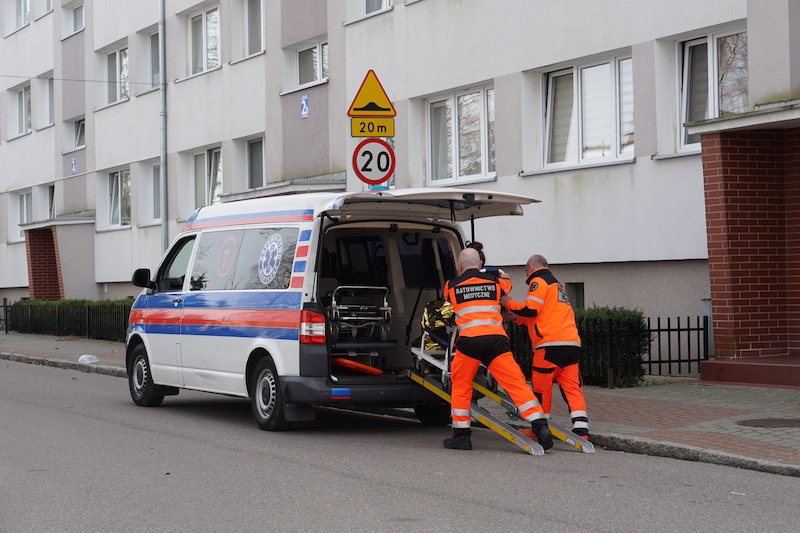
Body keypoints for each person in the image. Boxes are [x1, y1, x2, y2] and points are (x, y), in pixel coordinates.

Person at [442, 247, 553, 450]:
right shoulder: (497, 282)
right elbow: (507, 282)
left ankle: (461, 436)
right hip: (496, 341)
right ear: (481, 264)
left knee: (461, 384)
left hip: (469, 343)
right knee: (516, 383)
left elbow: (447, 301)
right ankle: (539, 424)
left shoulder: (451, 285)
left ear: (459, 265)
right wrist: (498, 272)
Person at [500, 255, 589, 439]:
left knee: (541, 388)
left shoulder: (538, 281)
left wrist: (508, 303)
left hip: (549, 346)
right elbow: (542, 315)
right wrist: (516, 318)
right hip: (571, 344)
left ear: (531, 266)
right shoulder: (558, 287)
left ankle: (539, 429)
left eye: (525, 270)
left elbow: (531, 309)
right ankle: (582, 431)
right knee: (572, 389)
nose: (526, 274)